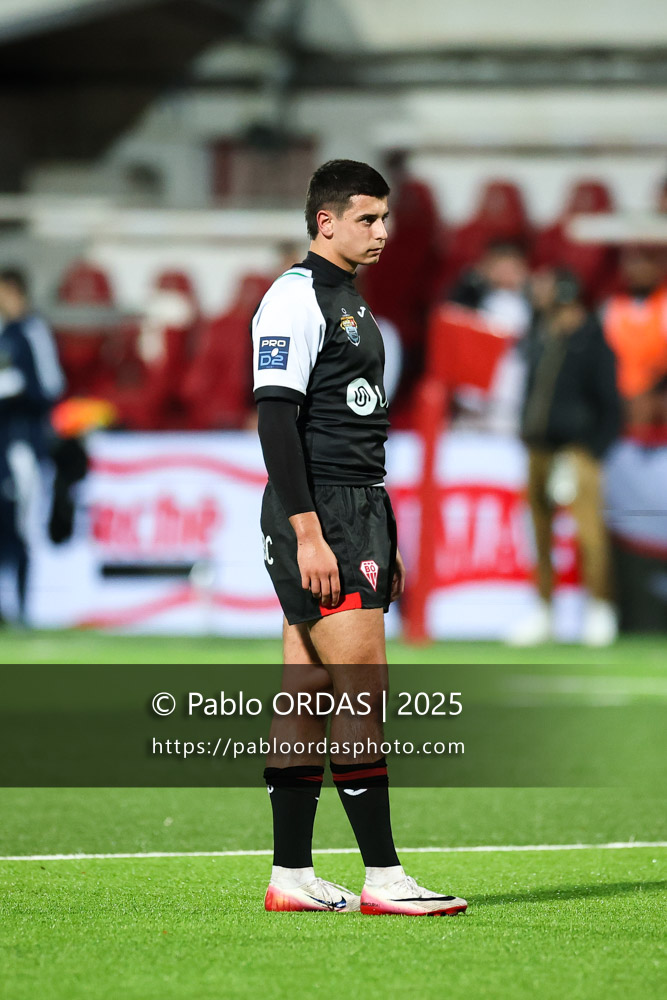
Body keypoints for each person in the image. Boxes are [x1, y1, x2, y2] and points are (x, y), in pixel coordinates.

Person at [251, 159, 467, 916]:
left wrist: (387, 531)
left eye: (385, 218)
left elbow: (355, 427)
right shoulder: (295, 296)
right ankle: (383, 876)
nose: (382, 231)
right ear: (326, 222)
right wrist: (312, 535)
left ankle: (292, 874)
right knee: (360, 696)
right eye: (368, 218)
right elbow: (276, 418)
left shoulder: (349, 301)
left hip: (355, 512)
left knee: (307, 692)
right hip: (323, 516)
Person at [508, 269, 622, 647]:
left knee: (588, 533)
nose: (539, 293)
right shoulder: (542, 337)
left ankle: (599, 609)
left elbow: (611, 406)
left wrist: (592, 452)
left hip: (576, 449)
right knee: (539, 533)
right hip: (539, 447)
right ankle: (544, 609)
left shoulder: (592, 342)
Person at [0, 268, 65, 623]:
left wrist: (15, 388)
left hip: (24, 443)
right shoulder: (6, 332)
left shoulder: (32, 330)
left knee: (24, 524)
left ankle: (26, 607)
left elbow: (50, 385)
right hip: (4, 442)